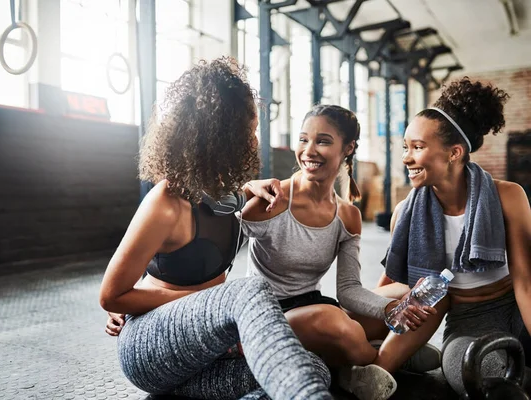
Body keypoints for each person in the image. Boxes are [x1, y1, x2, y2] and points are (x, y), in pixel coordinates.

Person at [99, 57, 333, 400]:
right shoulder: (165, 203)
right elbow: (111, 295)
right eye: (249, 131)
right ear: (222, 135)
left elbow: (228, 201)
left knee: (312, 368)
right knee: (249, 291)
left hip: (204, 348)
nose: (254, 140)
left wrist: (251, 188)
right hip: (149, 346)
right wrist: (211, 303)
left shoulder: (222, 192)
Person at [239, 104, 441, 400]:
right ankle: (383, 360)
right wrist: (243, 191)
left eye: (322, 141)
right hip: (268, 317)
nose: (309, 150)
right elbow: (217, 240)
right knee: (334, 322)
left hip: (315, 305)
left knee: (406, 295)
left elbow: (347, 290)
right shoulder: (273, 200)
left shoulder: (347, 216)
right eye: (303, 139)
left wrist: (391, 310)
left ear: (348, 148)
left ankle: (356, 361)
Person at [376, 77, 531, 396]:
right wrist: (370, 323)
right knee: (480, 376)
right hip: (469, 319)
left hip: (516, 306)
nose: (406, 157)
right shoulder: (404, 214)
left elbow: (525, 284)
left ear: (454, 153)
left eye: (417, 147)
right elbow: (393, 284)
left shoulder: (508, 197)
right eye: (406, 147)